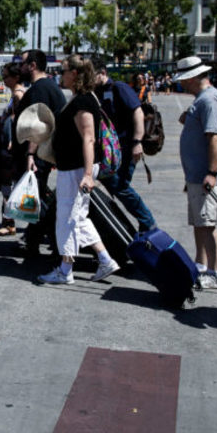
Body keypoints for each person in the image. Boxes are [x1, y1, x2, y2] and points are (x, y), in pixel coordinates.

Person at [38, 55, 121, 286]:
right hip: (73, 167)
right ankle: (105, 259)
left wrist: (86, 174)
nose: (59, 74)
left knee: (67, 219)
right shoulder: (82, 98)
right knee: (78, 217)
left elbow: (89, 138)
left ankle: (65, 270)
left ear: (74, 73)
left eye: (63, 70)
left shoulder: (83, 101)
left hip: (76, 170)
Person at [176, 56, 217, 291]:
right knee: (199, 222)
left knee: (208, 224)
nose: (181, 84)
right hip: (196, 175)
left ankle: (215, 270)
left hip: (204, 175)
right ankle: (200, 264)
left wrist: (212, 172)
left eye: (183, 80)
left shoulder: (209, 100)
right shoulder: (202, 100)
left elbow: (215, 137)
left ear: (192, 78)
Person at [92, 56, 156, 233]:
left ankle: (147, 222)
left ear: (102, 73)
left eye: (91, 75)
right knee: (112, 185)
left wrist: (137, 142)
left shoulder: (119, 88)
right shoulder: (95, 92)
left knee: (121, 186)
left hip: (126, 147)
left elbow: (138, 113)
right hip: (109, 150)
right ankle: (119, 224)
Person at [14, 49, 68, 261]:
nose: (21, 67)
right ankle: (34, 242)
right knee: (35, 201)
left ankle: (57, 244)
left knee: (38, 203)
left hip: (37, 157)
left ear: (33, 65)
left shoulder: (40, 89)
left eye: (23, 63)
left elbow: (38, 127)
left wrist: (29, 156)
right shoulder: (48, 86)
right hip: (44, 156)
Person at [0, 62, 24, 237]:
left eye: (6, 76)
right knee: (7, 187)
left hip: (10, 149)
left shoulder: (18, 95)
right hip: (6, 146)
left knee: (8, 187)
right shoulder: (14, 95)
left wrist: (12, 139)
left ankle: (9, 222)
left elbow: (18, 120)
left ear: (16, 77)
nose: (3, 80)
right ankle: (7, 221)